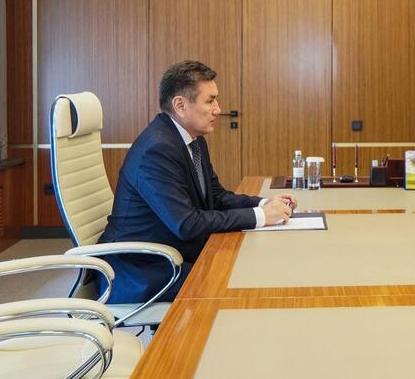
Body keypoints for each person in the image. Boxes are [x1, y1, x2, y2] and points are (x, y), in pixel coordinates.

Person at [98, 60, 297, 303]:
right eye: (210, 101)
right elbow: (187, 224)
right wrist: (262, 217)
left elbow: (217, 197)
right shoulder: (156, 149)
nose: (218, 109)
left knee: (244, 263)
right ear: (180, 105)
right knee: (235, 280)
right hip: (141, 271)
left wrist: (265, 203)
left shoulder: (192, 140)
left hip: (174, 254)